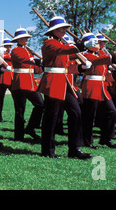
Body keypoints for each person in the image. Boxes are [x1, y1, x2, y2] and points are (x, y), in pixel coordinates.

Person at [37, 16, 93, 159]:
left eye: (65, 28)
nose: (65, 30)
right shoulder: (49, 43)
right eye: (62, 28)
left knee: (76, 112)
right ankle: (47, 150)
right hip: (53, 81)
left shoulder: (61, 43)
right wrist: (80, 45)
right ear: (54, 30)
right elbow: (63, 51)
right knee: (52, 117)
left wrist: (82, 61)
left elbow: (70, 57)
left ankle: (74, 148)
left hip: (64, 81)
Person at [79, 33, 116, 149]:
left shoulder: (100, 54)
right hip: (91, 86)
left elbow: (105, 72)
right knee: (89, 116)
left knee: (111, 111)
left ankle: (106, 138)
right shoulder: (86, 55)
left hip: (102, 86)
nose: (99, 44)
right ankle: (87, 140)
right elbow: (98, 61)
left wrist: (115, 75)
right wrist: (111, 58)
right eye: (96, 42)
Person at [9, 27, 44, 142]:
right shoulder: (15, 50)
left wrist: (42, 67)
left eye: (27, 37)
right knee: (20, 110)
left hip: (29, 81)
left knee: (40, 105)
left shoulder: (28, 51)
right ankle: (19, 136)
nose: (26, 39)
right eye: (24, 38)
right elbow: (25, 60)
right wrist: (39, 61)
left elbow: (34, 68)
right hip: (20, 82)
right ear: (18, 40)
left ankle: (30, 128)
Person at [0, 38, 14, 122]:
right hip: (3, 78)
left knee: (16, 98)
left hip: (11, 79)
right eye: (7, 46)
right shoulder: (1, 55)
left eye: (10, 46)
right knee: (0, 99)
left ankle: (19, 116)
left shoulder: (10, 55)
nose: (9, 48)